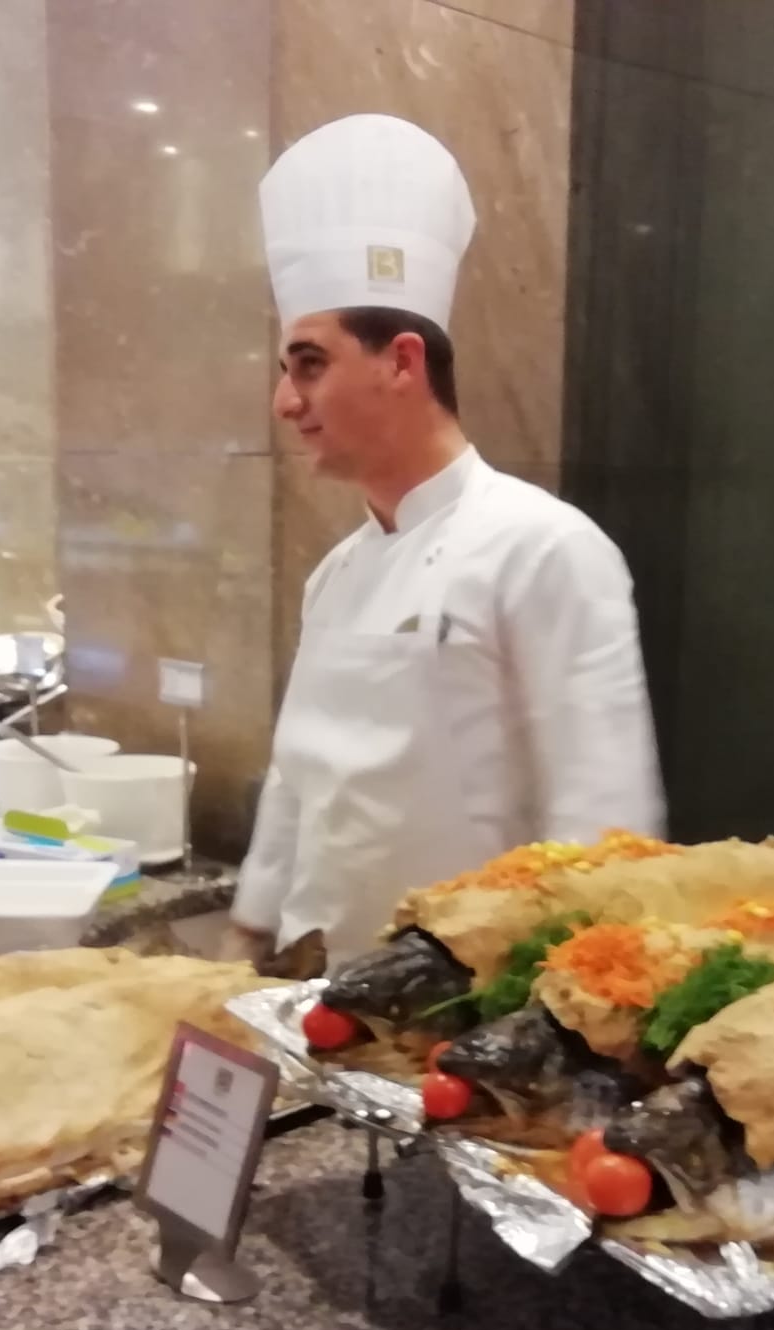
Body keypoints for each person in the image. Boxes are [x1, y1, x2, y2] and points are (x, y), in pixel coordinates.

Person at [229, 115, 664, 964]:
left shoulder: (546, 549)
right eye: (287, 371)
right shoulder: (336, 574)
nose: (284, 402)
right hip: (315, 996)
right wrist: (248, 934)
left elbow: (604, 824)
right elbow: (295, 785)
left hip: (467, 1009)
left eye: (309, 363)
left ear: (401, 361)